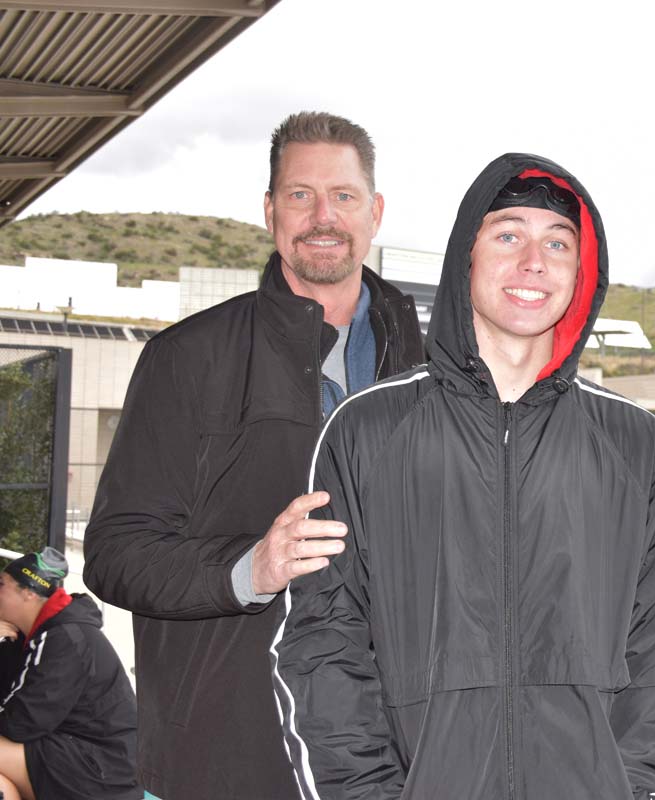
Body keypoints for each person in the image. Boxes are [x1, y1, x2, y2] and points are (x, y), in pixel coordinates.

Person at [272, 154, 655, 798]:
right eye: (508, 235)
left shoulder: (635, 447)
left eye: (558, 242)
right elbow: (325, 639)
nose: (534, 261)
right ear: (465, 257)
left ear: (582, 273)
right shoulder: (369, 430)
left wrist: (625, 787)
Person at [82, 112, 424, 800]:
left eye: (344, 196)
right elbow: (116, 554)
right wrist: (250, 568)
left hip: (389, 762)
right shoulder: (187, 358)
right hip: (227, 761)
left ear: (376, 212)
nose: (323, 216)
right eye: (300, 195)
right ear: (270, 211)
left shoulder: (433, 369)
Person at [0, 547, 139, 800]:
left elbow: (20, 724)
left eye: (2, 584)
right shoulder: (29, 638)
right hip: (73, 755)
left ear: (29, 593)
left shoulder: (64, 638)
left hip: (100, 772)